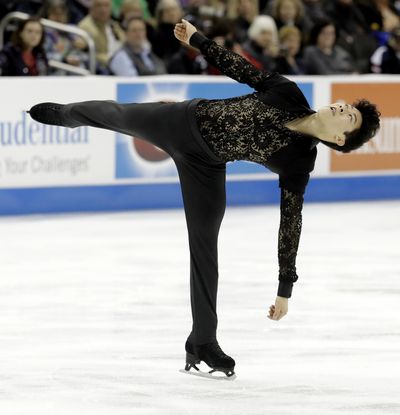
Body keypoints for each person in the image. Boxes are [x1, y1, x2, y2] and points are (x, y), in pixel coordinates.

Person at [27, 18, 380, 379]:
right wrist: (197, 39)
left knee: (205, 247)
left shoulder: (300, 162)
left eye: (348, 117)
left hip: (207, 167)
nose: (340, 108)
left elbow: (291, 222)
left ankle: (202, 340)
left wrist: (284, 289)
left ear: (340, 140)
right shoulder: (288, 93)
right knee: (116, 114)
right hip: (182, 120)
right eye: (345, 105)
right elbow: (240, 67)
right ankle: (66, 114)